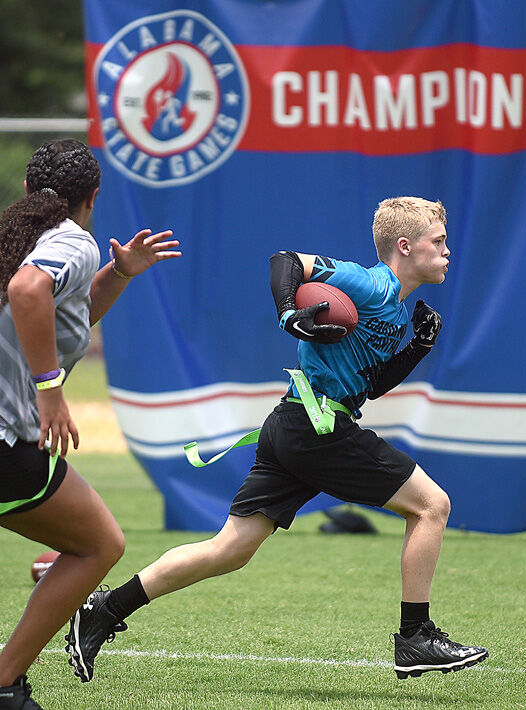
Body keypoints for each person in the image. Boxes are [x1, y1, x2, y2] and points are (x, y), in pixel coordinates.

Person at [66, 196, 488, 684]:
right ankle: (415, 636)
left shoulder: (393, 308)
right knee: (432, 506)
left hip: (300, 425)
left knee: (230, 549)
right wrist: (290, 313)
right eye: (438, 242)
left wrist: (415, 349)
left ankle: (103, 609)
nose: (446, 251)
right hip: (316, 428)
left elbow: (366, 386)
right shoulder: (369, 282)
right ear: (404, 246)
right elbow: (285, 262)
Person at [0, 139, 181, 710]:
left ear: (29, 191)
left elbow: (54, 312)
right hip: (6, 441)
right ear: (93, 199)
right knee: (98, 545)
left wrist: (119, 274)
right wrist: (51, 390)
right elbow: (29, 292)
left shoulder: (16, 239)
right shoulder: (71, 241)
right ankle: (4, 682)